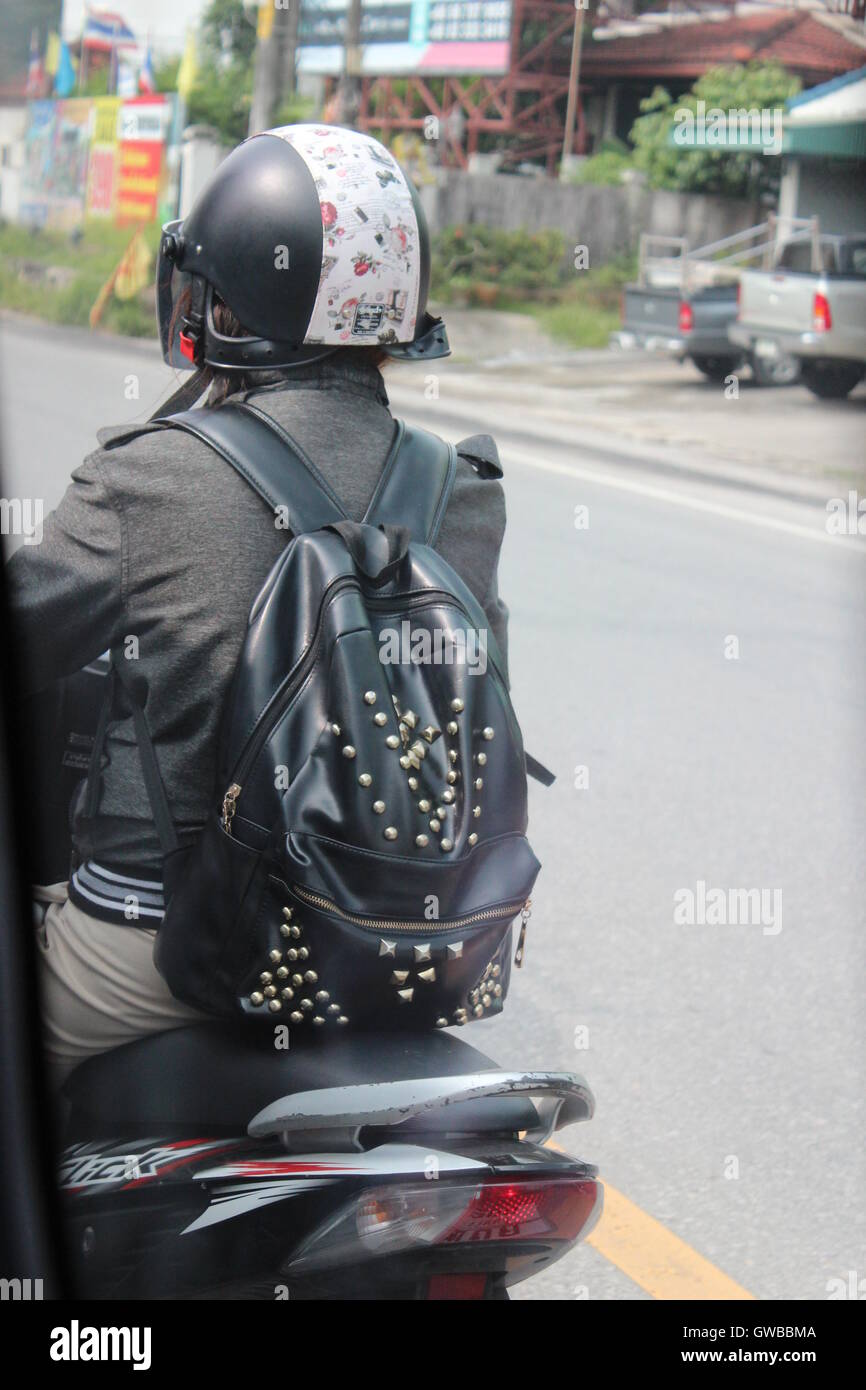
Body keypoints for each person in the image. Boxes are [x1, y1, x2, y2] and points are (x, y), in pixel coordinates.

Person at [5, 125, 510, 1088]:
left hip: (168, 955)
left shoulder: (150, 478)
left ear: (224, 305)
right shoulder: (466, 491)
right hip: (408, 953)